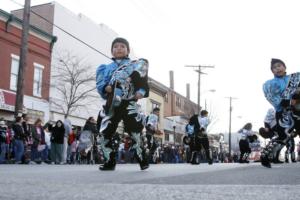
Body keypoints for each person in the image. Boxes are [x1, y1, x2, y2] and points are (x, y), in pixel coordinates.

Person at [96, 37, 149, 170]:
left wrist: (140, 92)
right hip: (112, 102)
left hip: (129, 103)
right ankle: (109, 161)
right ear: (112, 51)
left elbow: (143, 84)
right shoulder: (104, 68)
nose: (118, 48)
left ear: (128, 50)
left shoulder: (135, 65)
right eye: (115, 47)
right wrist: (105, 88)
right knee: (105, 131)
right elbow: (100, 84)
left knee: (135, 131)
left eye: (122, 46)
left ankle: (142, 159)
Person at [261, 58, 300, 168]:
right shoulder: (270, 84)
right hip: (284, 114)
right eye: (274, 67)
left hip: (298, 110)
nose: (277, 68)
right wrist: (288, 101)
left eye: (279, 65)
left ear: (284, 67)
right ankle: (265, 156)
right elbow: (272, 98)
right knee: (283, 137)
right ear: (272, 71)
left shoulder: (296, 77)